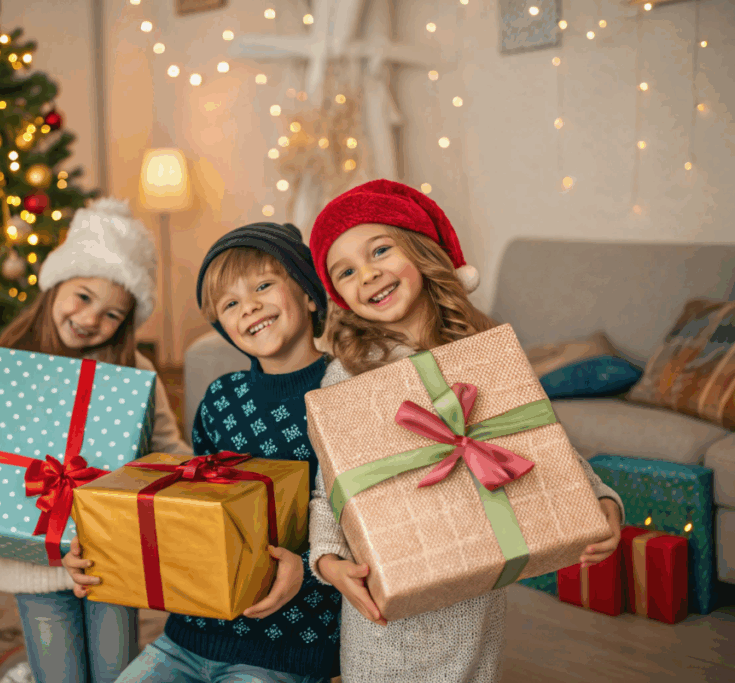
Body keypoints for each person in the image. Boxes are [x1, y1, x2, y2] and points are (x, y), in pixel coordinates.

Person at [306, 179, 625, 683]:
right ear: (339, 296)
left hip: (477, 606)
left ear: (421, 251)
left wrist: (601, 498)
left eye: (381, 250)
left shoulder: (483, 346)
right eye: (345, 271)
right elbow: (333, 489)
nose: (367, 274)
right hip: (386, 624)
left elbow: (534, 437)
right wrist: (328, 561)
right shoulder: (349, 373)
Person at [0, 198, 191, 683]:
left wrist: (201, 487)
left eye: (112, 314)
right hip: (31, 568)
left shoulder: (134, 370)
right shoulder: (1, 364)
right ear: (56, 285)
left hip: (108, 559)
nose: (91, 318)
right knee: (60, 675)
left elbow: (170, 450)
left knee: (116, 673)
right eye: (82, 296)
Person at [70, 223, 341, 683]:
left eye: (263, 286)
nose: (248, 306)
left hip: (287, 646)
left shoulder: (345, 390)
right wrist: (104, 546)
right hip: (188, 635)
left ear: (310, 295)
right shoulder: (221, 398)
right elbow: (190, 508)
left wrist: (308, 566)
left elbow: (364, 520)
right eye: (230, 304)